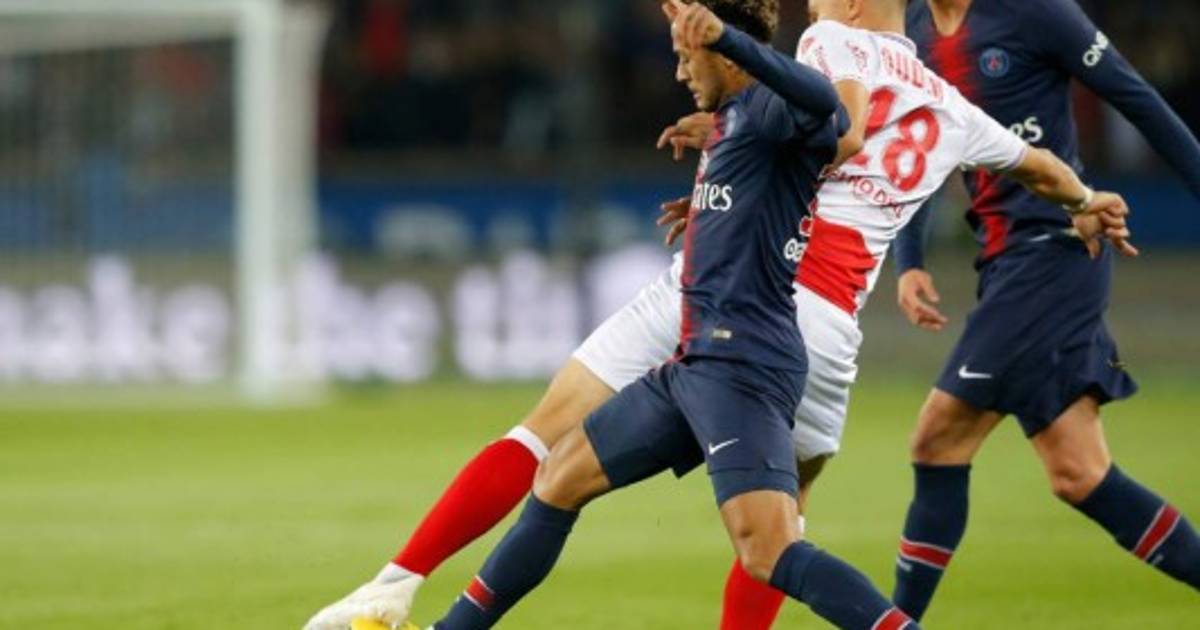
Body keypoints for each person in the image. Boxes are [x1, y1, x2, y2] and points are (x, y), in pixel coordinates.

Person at [303, 0, 1135, 627]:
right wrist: (1088, 201)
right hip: (825, 333)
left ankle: (394, 585)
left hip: (742, 292)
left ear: (850, 6)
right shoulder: (953, 108)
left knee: (544, 437)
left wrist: (736, 134)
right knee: (779, 532)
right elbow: (1041, 168)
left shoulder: (831, 41)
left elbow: (838, 130)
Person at [889, 0, 1200, 621]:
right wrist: (911, 258)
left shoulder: (1034, 12)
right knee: (1079, 472)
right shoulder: (916, 32)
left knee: (938, 438)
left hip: (1056, 250)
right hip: (1004, 264)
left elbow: (1139, 101)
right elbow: (929, 146)